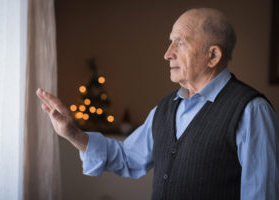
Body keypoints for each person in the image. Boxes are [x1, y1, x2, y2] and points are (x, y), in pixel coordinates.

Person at [36, 7, 279, 200]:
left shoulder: (252, 110)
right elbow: (126, 157)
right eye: (170, 42)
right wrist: (73, 133)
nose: (167, 53)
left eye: (180, 43)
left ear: (213, 56)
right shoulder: (166, 107)